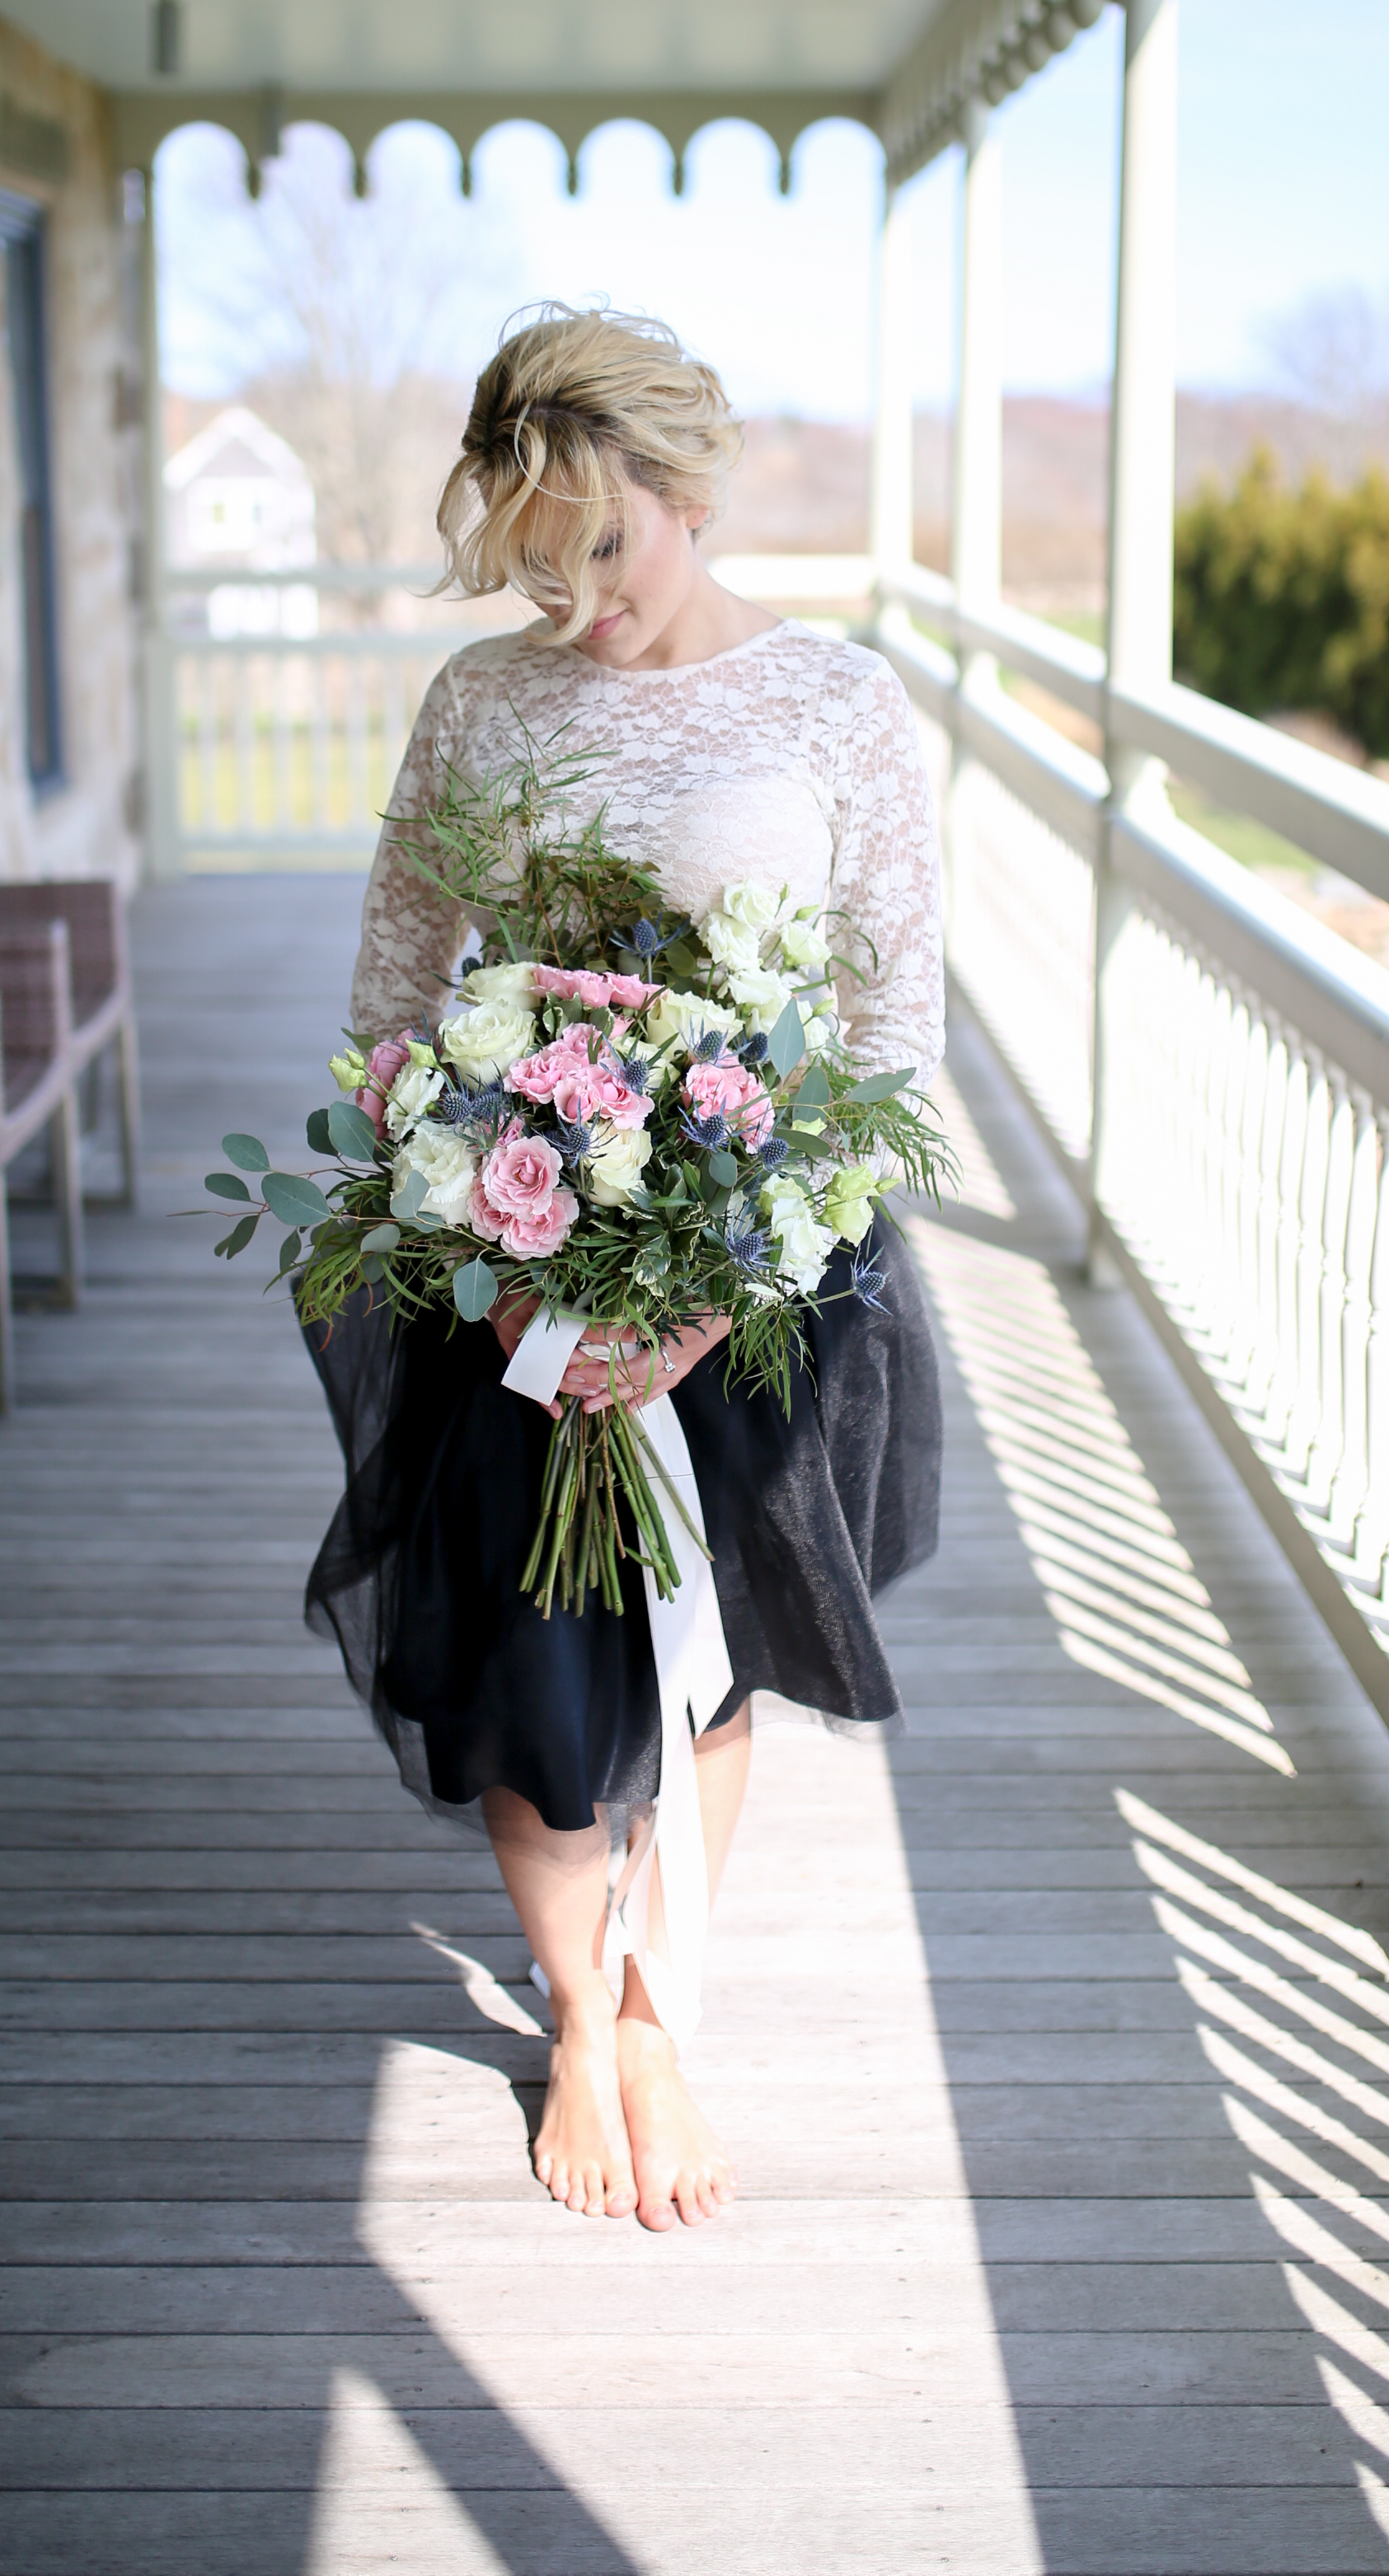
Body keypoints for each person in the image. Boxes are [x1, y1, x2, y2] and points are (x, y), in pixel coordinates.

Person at [304, 303, 945, 2232]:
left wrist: (713, 1287)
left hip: (748, 1276)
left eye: (605, 547)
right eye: (534, 566)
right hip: (505, 1267)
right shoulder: (477, 706)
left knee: (710, 1651)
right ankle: (578, 2021)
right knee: (528, 1661)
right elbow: (392, 1002)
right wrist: (487, 1251)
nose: (575, 604)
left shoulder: (837, 704)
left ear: (689, 490)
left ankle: (665, 2005)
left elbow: (887, 1037)